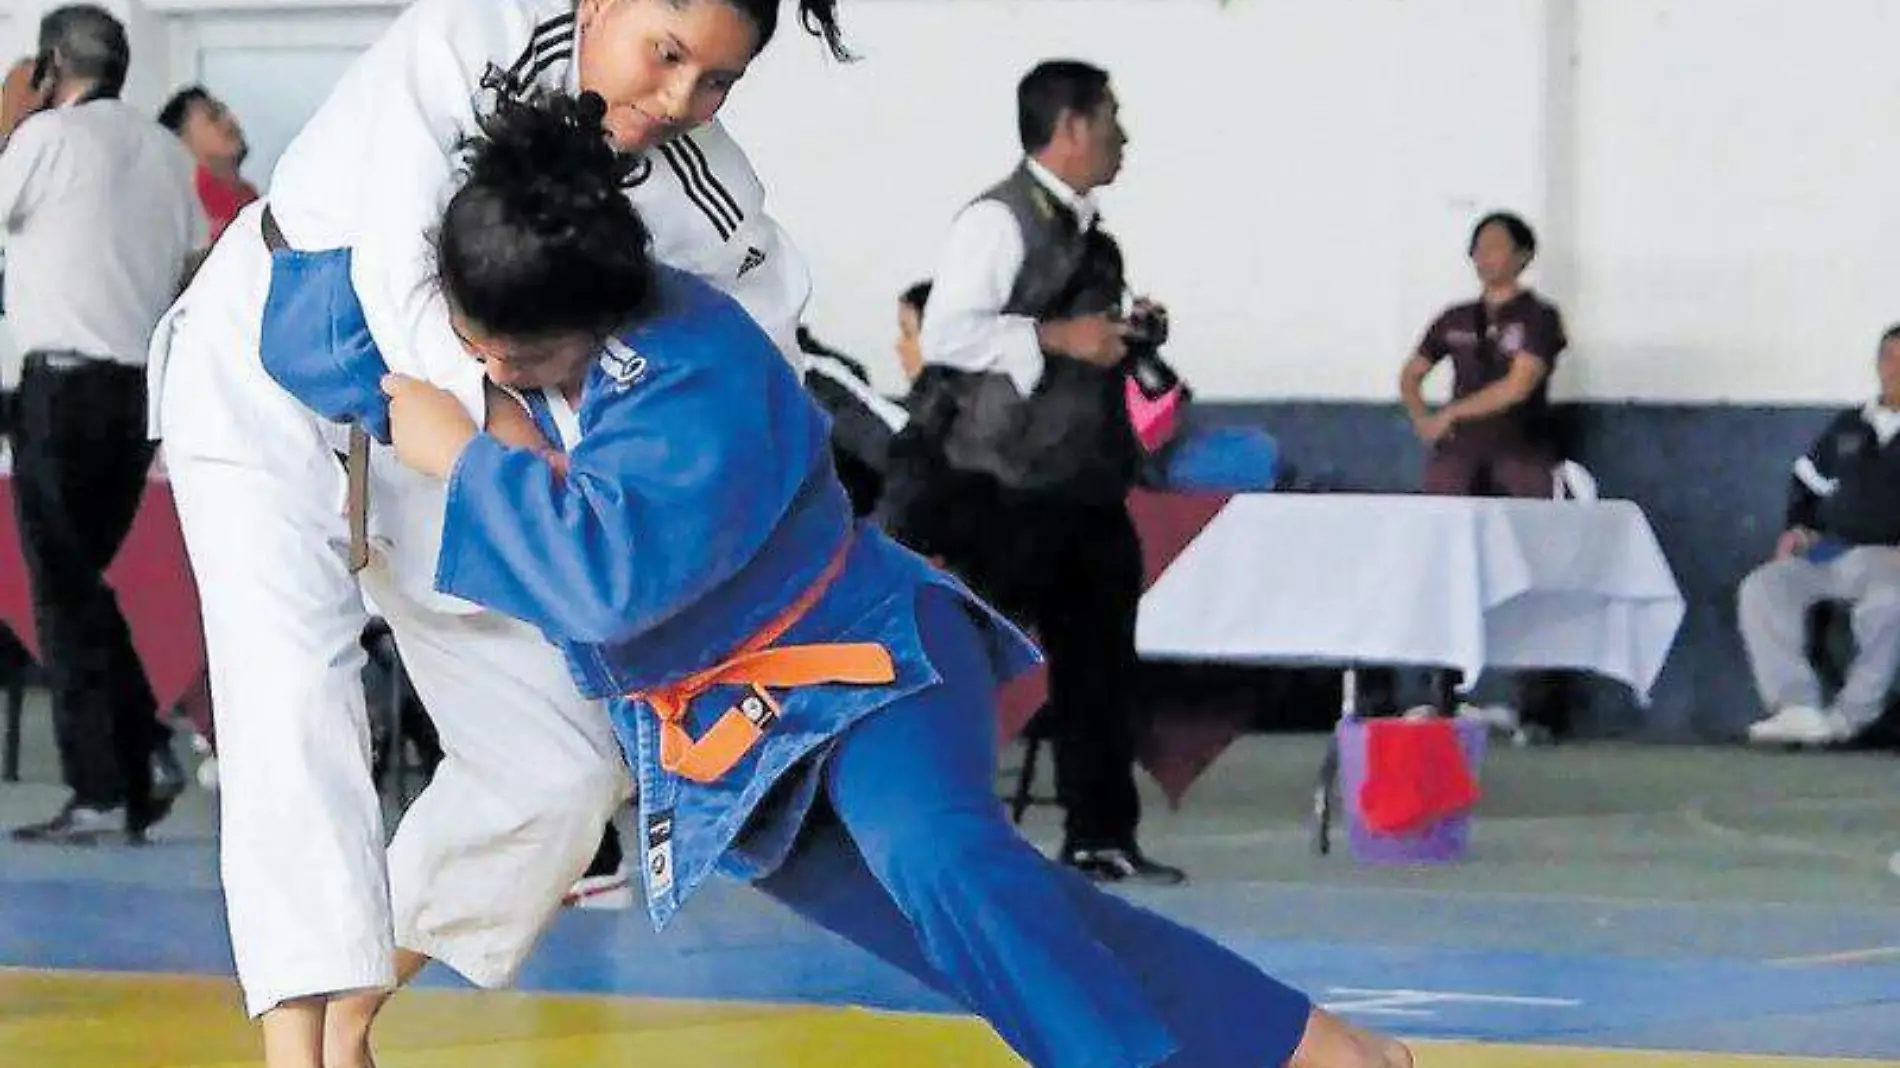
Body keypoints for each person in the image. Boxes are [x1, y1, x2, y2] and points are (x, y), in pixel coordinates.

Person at [379, 87, 1412, 1068]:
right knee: (1004, 927)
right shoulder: (498, 335)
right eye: (476, 346)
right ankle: (1320, 1048)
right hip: (737, 748)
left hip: (860, 663)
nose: (490, 367)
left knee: (942, 860)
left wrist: (468, 460)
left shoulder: (693, 364)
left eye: (518, 358)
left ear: (593, 313)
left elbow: (607, 581)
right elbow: (343, 330)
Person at [145, 1, 847, 1064]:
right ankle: (302, 1056)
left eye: (717, 80)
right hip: (279, 361)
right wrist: (503, 440)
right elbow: (390, 267)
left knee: (560, 766)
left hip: (455, 429)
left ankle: (351, 1015)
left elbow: (755, 349)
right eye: (666, 53)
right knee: (290, 699)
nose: (678, 98)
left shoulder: (705, 190)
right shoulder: (470, 34)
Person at [885, 60, 1184, 884]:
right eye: (1112, 118)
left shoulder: (1094, 238)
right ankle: (925, 824)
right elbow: (947, 335)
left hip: (1084, 483)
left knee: (1101, 668)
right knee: (958, 659)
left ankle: (1100, 835)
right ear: (1073, 127)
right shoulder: (997, 220)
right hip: (999, 486)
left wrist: (1123, 332)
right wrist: (1059, 337)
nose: (1125, 137)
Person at [1, 5, 200, 845]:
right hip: (135, 397)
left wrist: (12, 116)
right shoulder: (166, 152)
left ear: (52, 65)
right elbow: (190, 262)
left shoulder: (44, 139)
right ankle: (143, 751)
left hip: (60, 389)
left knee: (63, 590)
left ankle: (102, 788)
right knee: (83, 580)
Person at [1741, 325, 1900, 747]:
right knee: (1764, 587)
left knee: (1888, 606)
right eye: (1888, 357)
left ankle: (1850, 717)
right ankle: (1796, 707)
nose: (1894, 369)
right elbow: (1807, 482)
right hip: (1830, 551)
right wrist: (1798, 527)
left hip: (1890, 558)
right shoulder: (1849, 426)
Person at [156, 85, 258, 242]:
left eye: (224, 111)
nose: (229, 120)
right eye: (213, 117)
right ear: (183, 143)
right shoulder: (184, 207)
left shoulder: (250, 197)